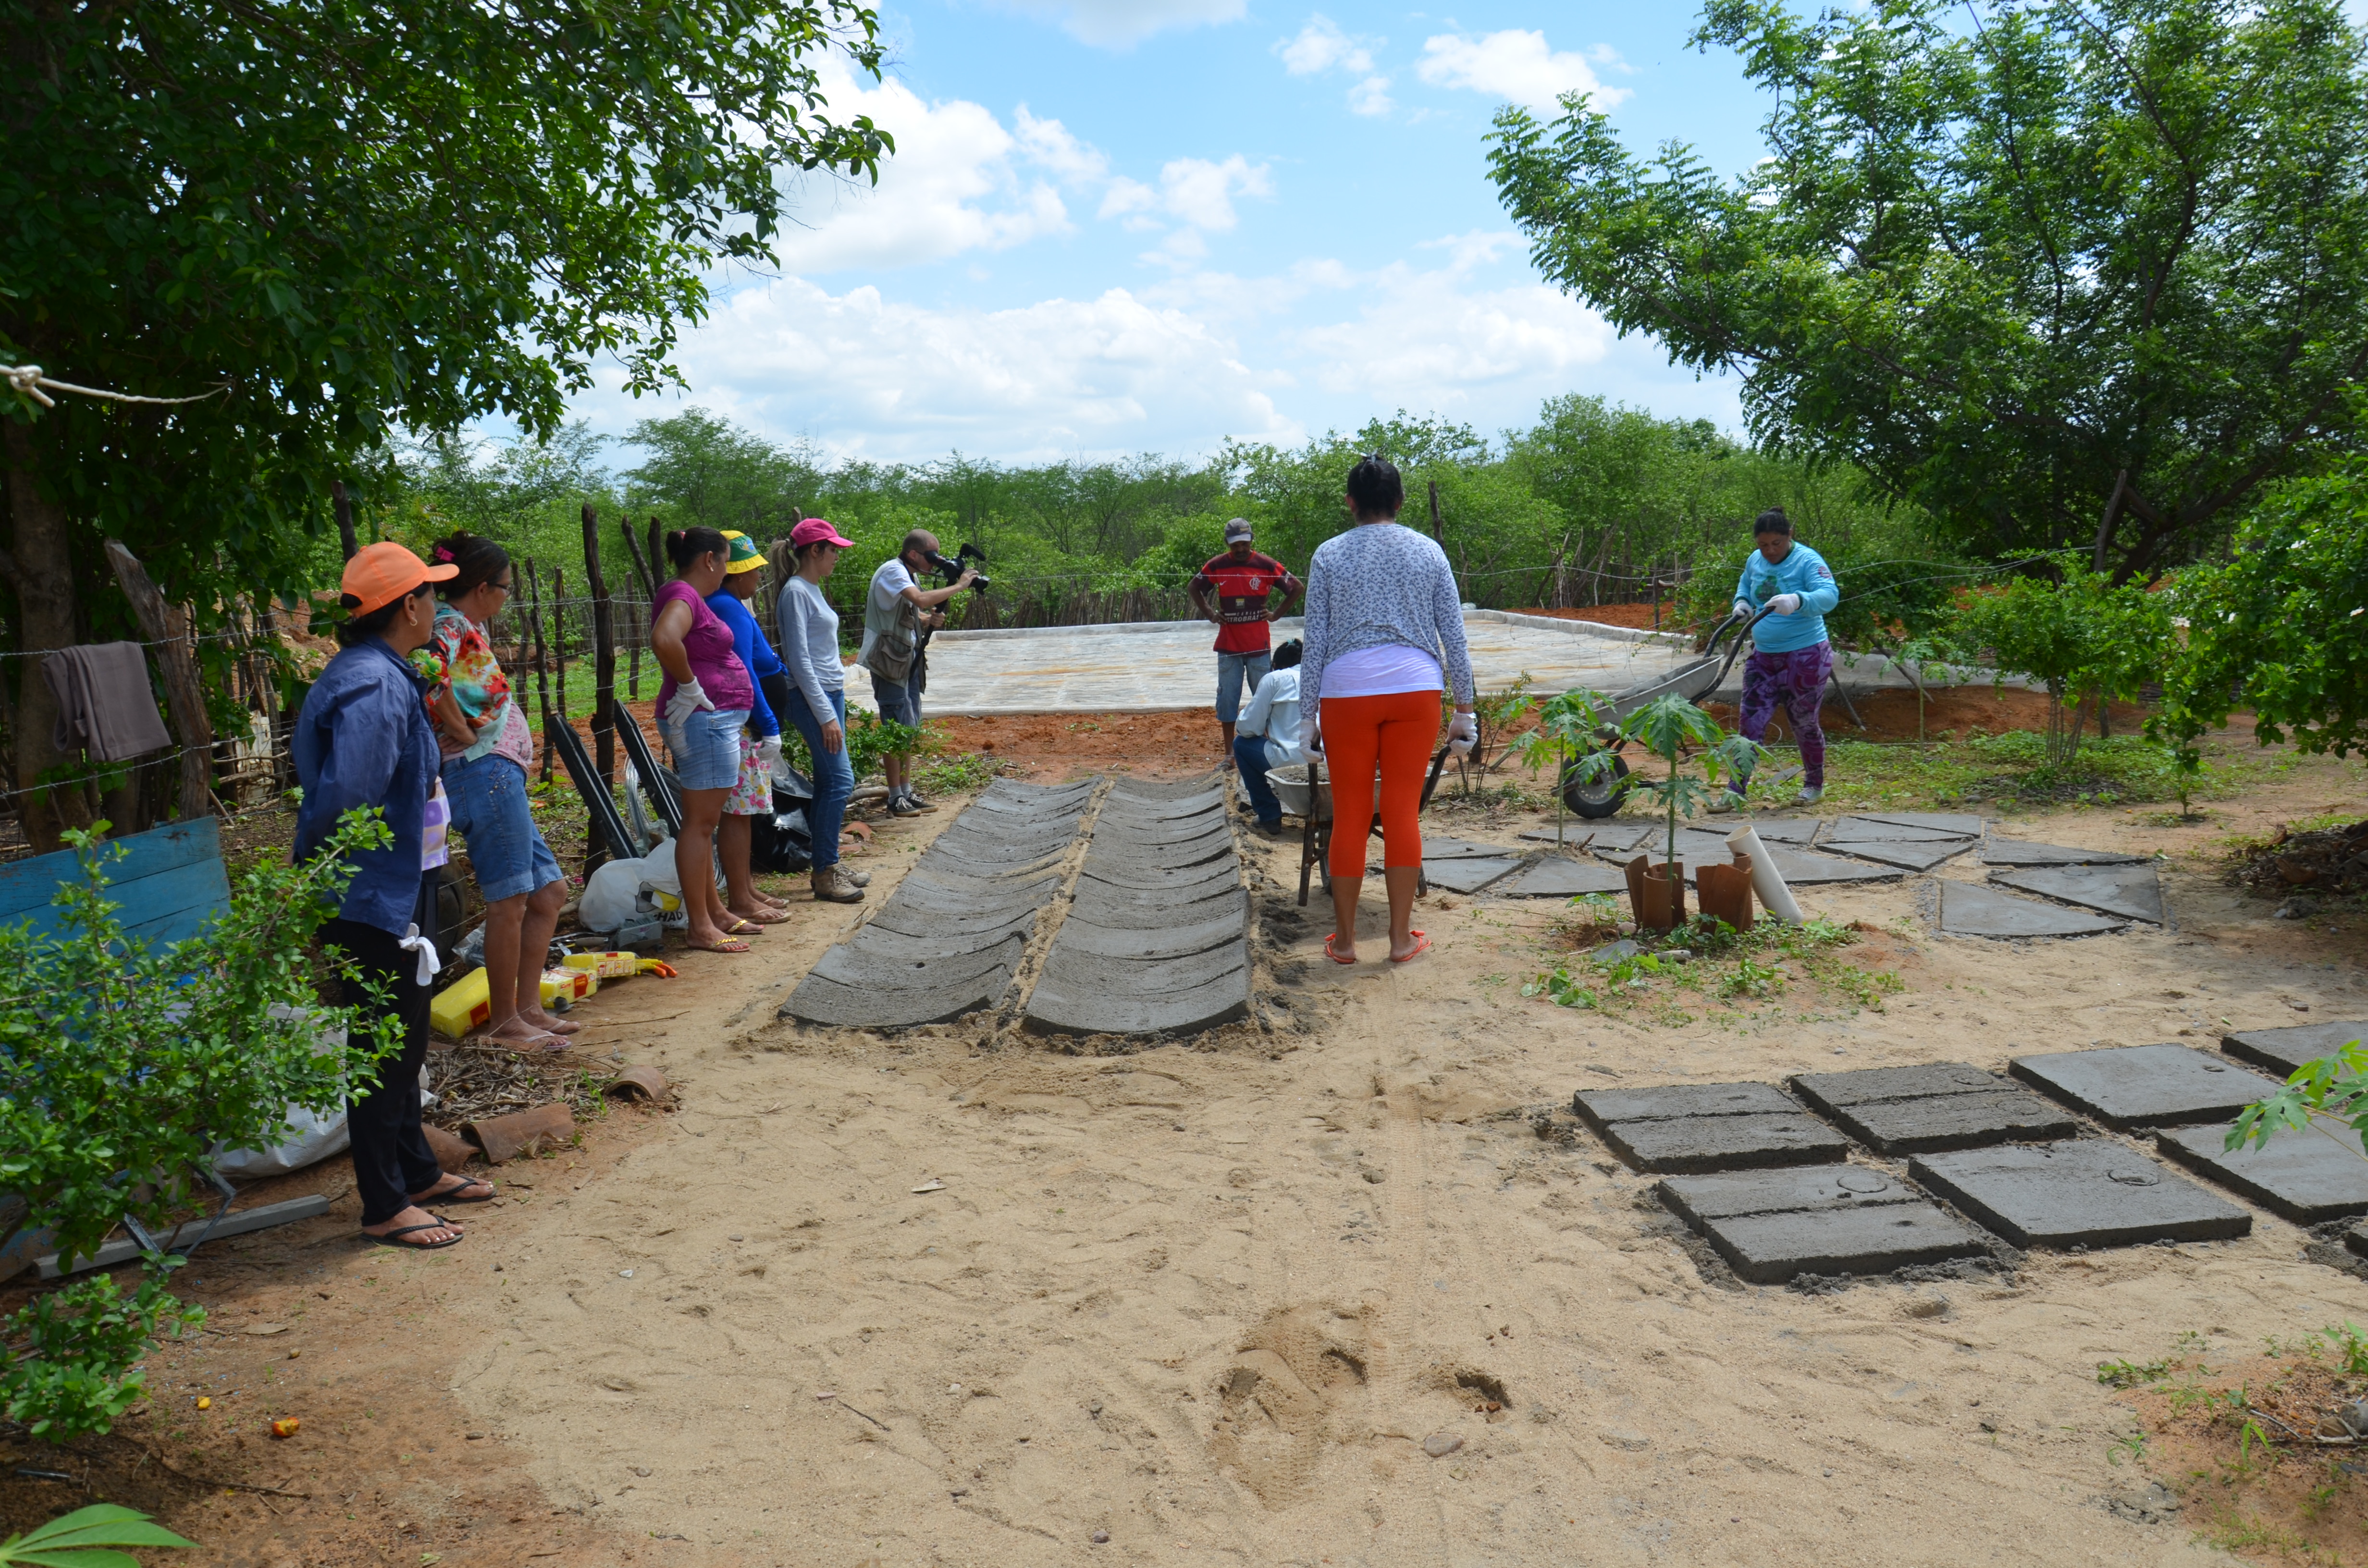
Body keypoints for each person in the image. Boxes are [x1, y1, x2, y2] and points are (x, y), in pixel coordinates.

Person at [293, 542, 495, 1251]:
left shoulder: (380, 671)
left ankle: (416, 1172)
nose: (438, 605)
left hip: (393, 885)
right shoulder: (375, 685)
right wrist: (332, 874)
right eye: (432, 595)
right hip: (372, 894)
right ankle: (383, 1204)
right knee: (384, 1047)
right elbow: (351, 797)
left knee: (403, 1042)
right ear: (409, 606)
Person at [1300, 455, 1476, 966]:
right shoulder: (1428, 551)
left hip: (1345, 693)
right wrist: (1464, 709)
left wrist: (1306, 716)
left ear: (1350, 503)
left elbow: (1315, 643)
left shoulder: (1328, 554)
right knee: (1401, 813)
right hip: (1415, 690)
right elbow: (1454, 636)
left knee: (1351, 815)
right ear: (1400, 501)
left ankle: (1345, 943)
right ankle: (1400, 941)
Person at [425, 533, 575, 1053]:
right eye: (506, 588)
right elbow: (428, 675)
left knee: (548, 893)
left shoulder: (464, 626)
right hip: (481, 772)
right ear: (483, 587)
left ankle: (527, 1008)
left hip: (496, 773)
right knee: (509, 898)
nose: (508, 597)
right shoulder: (447, 625)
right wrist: (461, 732)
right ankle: (506, 1021)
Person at [650, 526, 761, 953]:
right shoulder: (684, 595)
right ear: (710, 560)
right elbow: (665, 639)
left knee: (704, 824)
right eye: (726, 561)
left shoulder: (688, 595)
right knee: (699, 826)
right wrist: (690, 685)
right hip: (704, 721)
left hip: (711, 721)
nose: (727, 571)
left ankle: (714, 911)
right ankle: (700, 925)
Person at [1710, 506, 1841, 811]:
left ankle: (1813, 785)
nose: (1769, 551)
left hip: (1806, 657)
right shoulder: (1755, 560)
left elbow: (1829, 595)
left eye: (1776, 544)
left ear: (1789, 535)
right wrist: (1742, 601)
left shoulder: (1807, 561)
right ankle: (1736, 790)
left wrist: (1798, 600)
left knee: (1804, 722)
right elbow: (1746, 583)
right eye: (1763, 545)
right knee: (1750, 723)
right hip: (1764, 658)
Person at [775, 517, 869, 904]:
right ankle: (826, 872)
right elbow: (798, 660)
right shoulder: (796, 592)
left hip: (830, 694)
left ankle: (827, 864)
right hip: (812, 697)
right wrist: (826, 716)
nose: (837, 556)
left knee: (831, 781)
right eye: (833, 549)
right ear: (814, 551)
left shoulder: (810, 589)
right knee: (840, 781)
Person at [706, 530, 794, 926]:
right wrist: (769, 722)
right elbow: (743, 669)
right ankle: (740, 897)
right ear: (737, 573)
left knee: (744, 809)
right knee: (739, 811)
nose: (759, 577)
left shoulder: (731, 604)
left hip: (745, 721)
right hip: (743, 722)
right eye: (754, 571)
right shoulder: (728, 607)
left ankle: (746, 887)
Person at [857, 528, 974, 816]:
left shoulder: (909, 573)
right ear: (913, 554)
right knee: (894, 727)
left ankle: (906, 792)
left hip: (905, 659)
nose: (936, 562)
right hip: (888, 661)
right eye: (932, 556)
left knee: (907, 727)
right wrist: (960, 586)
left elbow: (910, 610)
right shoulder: (893, 571)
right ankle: (895, 797)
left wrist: (926, 620)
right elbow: (920, 599)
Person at [1191, 518, 1302, 766]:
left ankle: (1268, 750)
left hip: (1258, 646)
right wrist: (1211, 614)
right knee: (1227, 700)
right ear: (1227, 544)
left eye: (1244, 543)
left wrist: (1276, 614)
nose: (1240, 549)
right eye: (1235, 545)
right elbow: (1194, 587)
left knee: (1266, 698)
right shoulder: (1217, 565)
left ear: (1252, 540)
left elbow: (1296, 587)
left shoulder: (1266, 564)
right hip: (1228, 646)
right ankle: (1230, 755)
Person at [1231, 638, 1306, 834]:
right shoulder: (1324, 676)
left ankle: (1269, 815)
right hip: (1327, 761)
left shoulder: (1275, 679)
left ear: (1276, 665)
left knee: (1241, 745)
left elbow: (1247, 728)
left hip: (1288, 760)